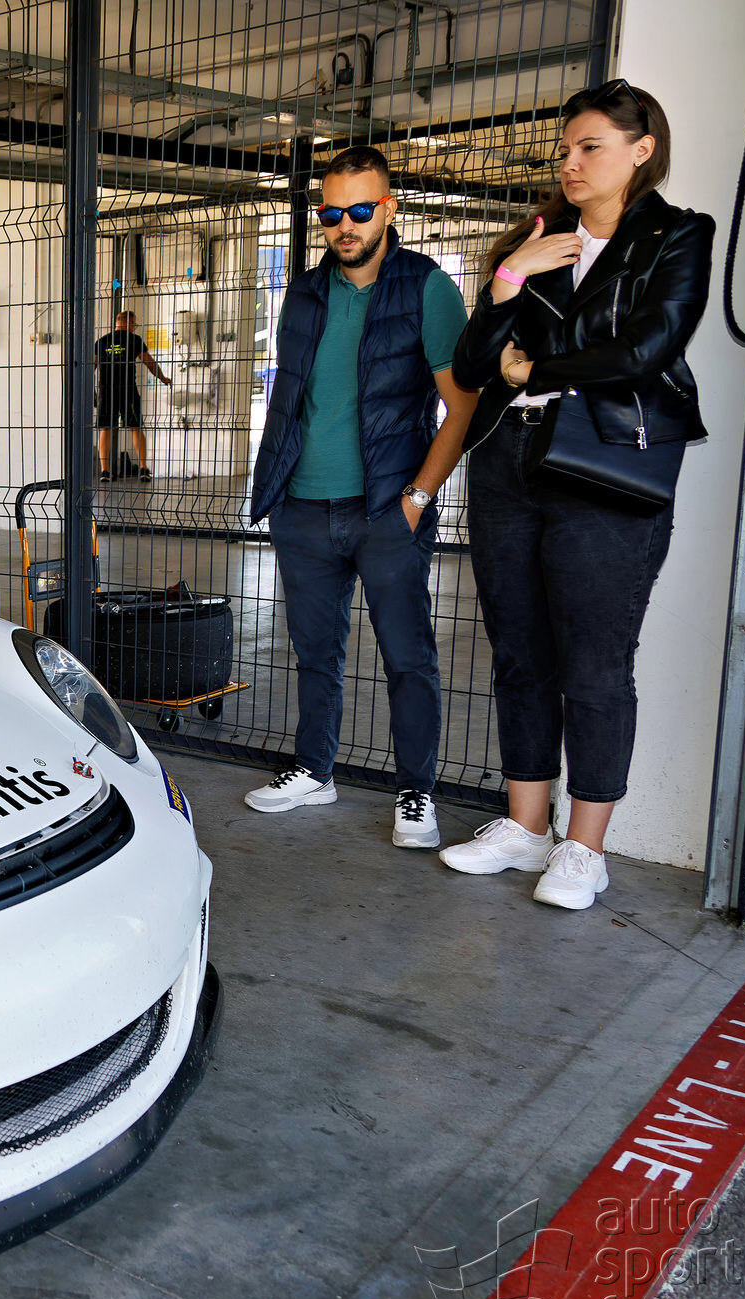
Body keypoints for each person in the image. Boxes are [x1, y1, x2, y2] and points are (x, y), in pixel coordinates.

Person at [439, 81, 712, 910]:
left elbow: (645, 350)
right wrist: (509, 279)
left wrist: (536, 368)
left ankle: (585, 847)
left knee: (595, 660)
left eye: (590, 146)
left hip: (604, 461)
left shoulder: (677, 235)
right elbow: (474, 366)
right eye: (565, 149)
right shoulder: (534, 240)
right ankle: (526, 828)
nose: (571, 163)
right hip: (508, 460)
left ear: (641, 149)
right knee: (518, 651)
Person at [242, 144, 479, 849]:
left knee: (408, 657)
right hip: (303, 507)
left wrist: (417, 499)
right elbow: (294, 399)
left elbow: (462, 406)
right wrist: (278, 494)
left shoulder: (427, 288)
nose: (345, 225)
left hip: (387, 509)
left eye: (361, 210)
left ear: (389, 209)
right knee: (315, 653)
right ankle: (315, 771)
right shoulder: (305, 293)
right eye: (332, 213)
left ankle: (417, 794)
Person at [94, 312, 170, 480]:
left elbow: (89, 367)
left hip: (106, 391)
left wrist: (92, 393)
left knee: (106, 428)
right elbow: (150, 363)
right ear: (128, 322)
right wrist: (163, 378)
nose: (134, 327)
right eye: (134, 324)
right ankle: (143, 468)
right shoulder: (134, 340)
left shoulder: (102, 341)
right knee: (135, 427)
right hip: (128, 390)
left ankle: (105, 471)